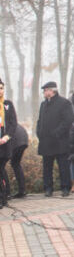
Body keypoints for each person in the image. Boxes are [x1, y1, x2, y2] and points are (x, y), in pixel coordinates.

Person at [36, 81, 73, 197]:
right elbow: (39, 120)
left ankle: (65, 187)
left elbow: (67, 121)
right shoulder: (43, 104)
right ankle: (48, 188)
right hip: (46, 141)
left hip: (59, 141)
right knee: (47, 167)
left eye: (45, 90)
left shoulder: (64, 103)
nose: (44, 92)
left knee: (63, 166)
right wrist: (39, 132)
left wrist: (57, 133)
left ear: (52, 91)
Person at [0, 78, 18, 207]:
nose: (0, 91)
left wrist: (6, 137)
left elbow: (13, 123)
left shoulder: (7, 104)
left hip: (4, 144)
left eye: (1, 88)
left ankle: (3, 197)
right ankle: (5, 195)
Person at [8, 121, 28, 198]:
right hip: (23, 140)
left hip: (16, 141)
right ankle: (22, 190)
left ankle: (7, 192)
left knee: (3, 166)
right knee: (15, 164)